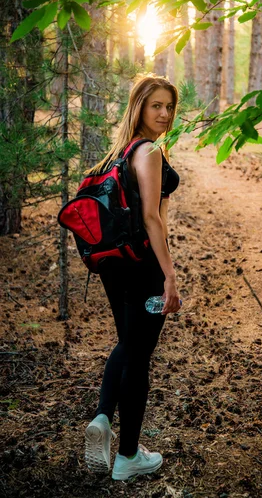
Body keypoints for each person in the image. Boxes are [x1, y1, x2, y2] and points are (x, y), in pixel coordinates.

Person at [83, 75, 181, 481]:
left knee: (129, 345)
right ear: (139, 106)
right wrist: (169, 275)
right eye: (156, 105)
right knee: (138, 355)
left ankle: (104, 419)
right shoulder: (150, 151)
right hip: (142, 263)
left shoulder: (118, 152)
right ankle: (126, 458)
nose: (164, 114)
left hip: (113, 265)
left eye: (169, 107)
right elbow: (151, 218)